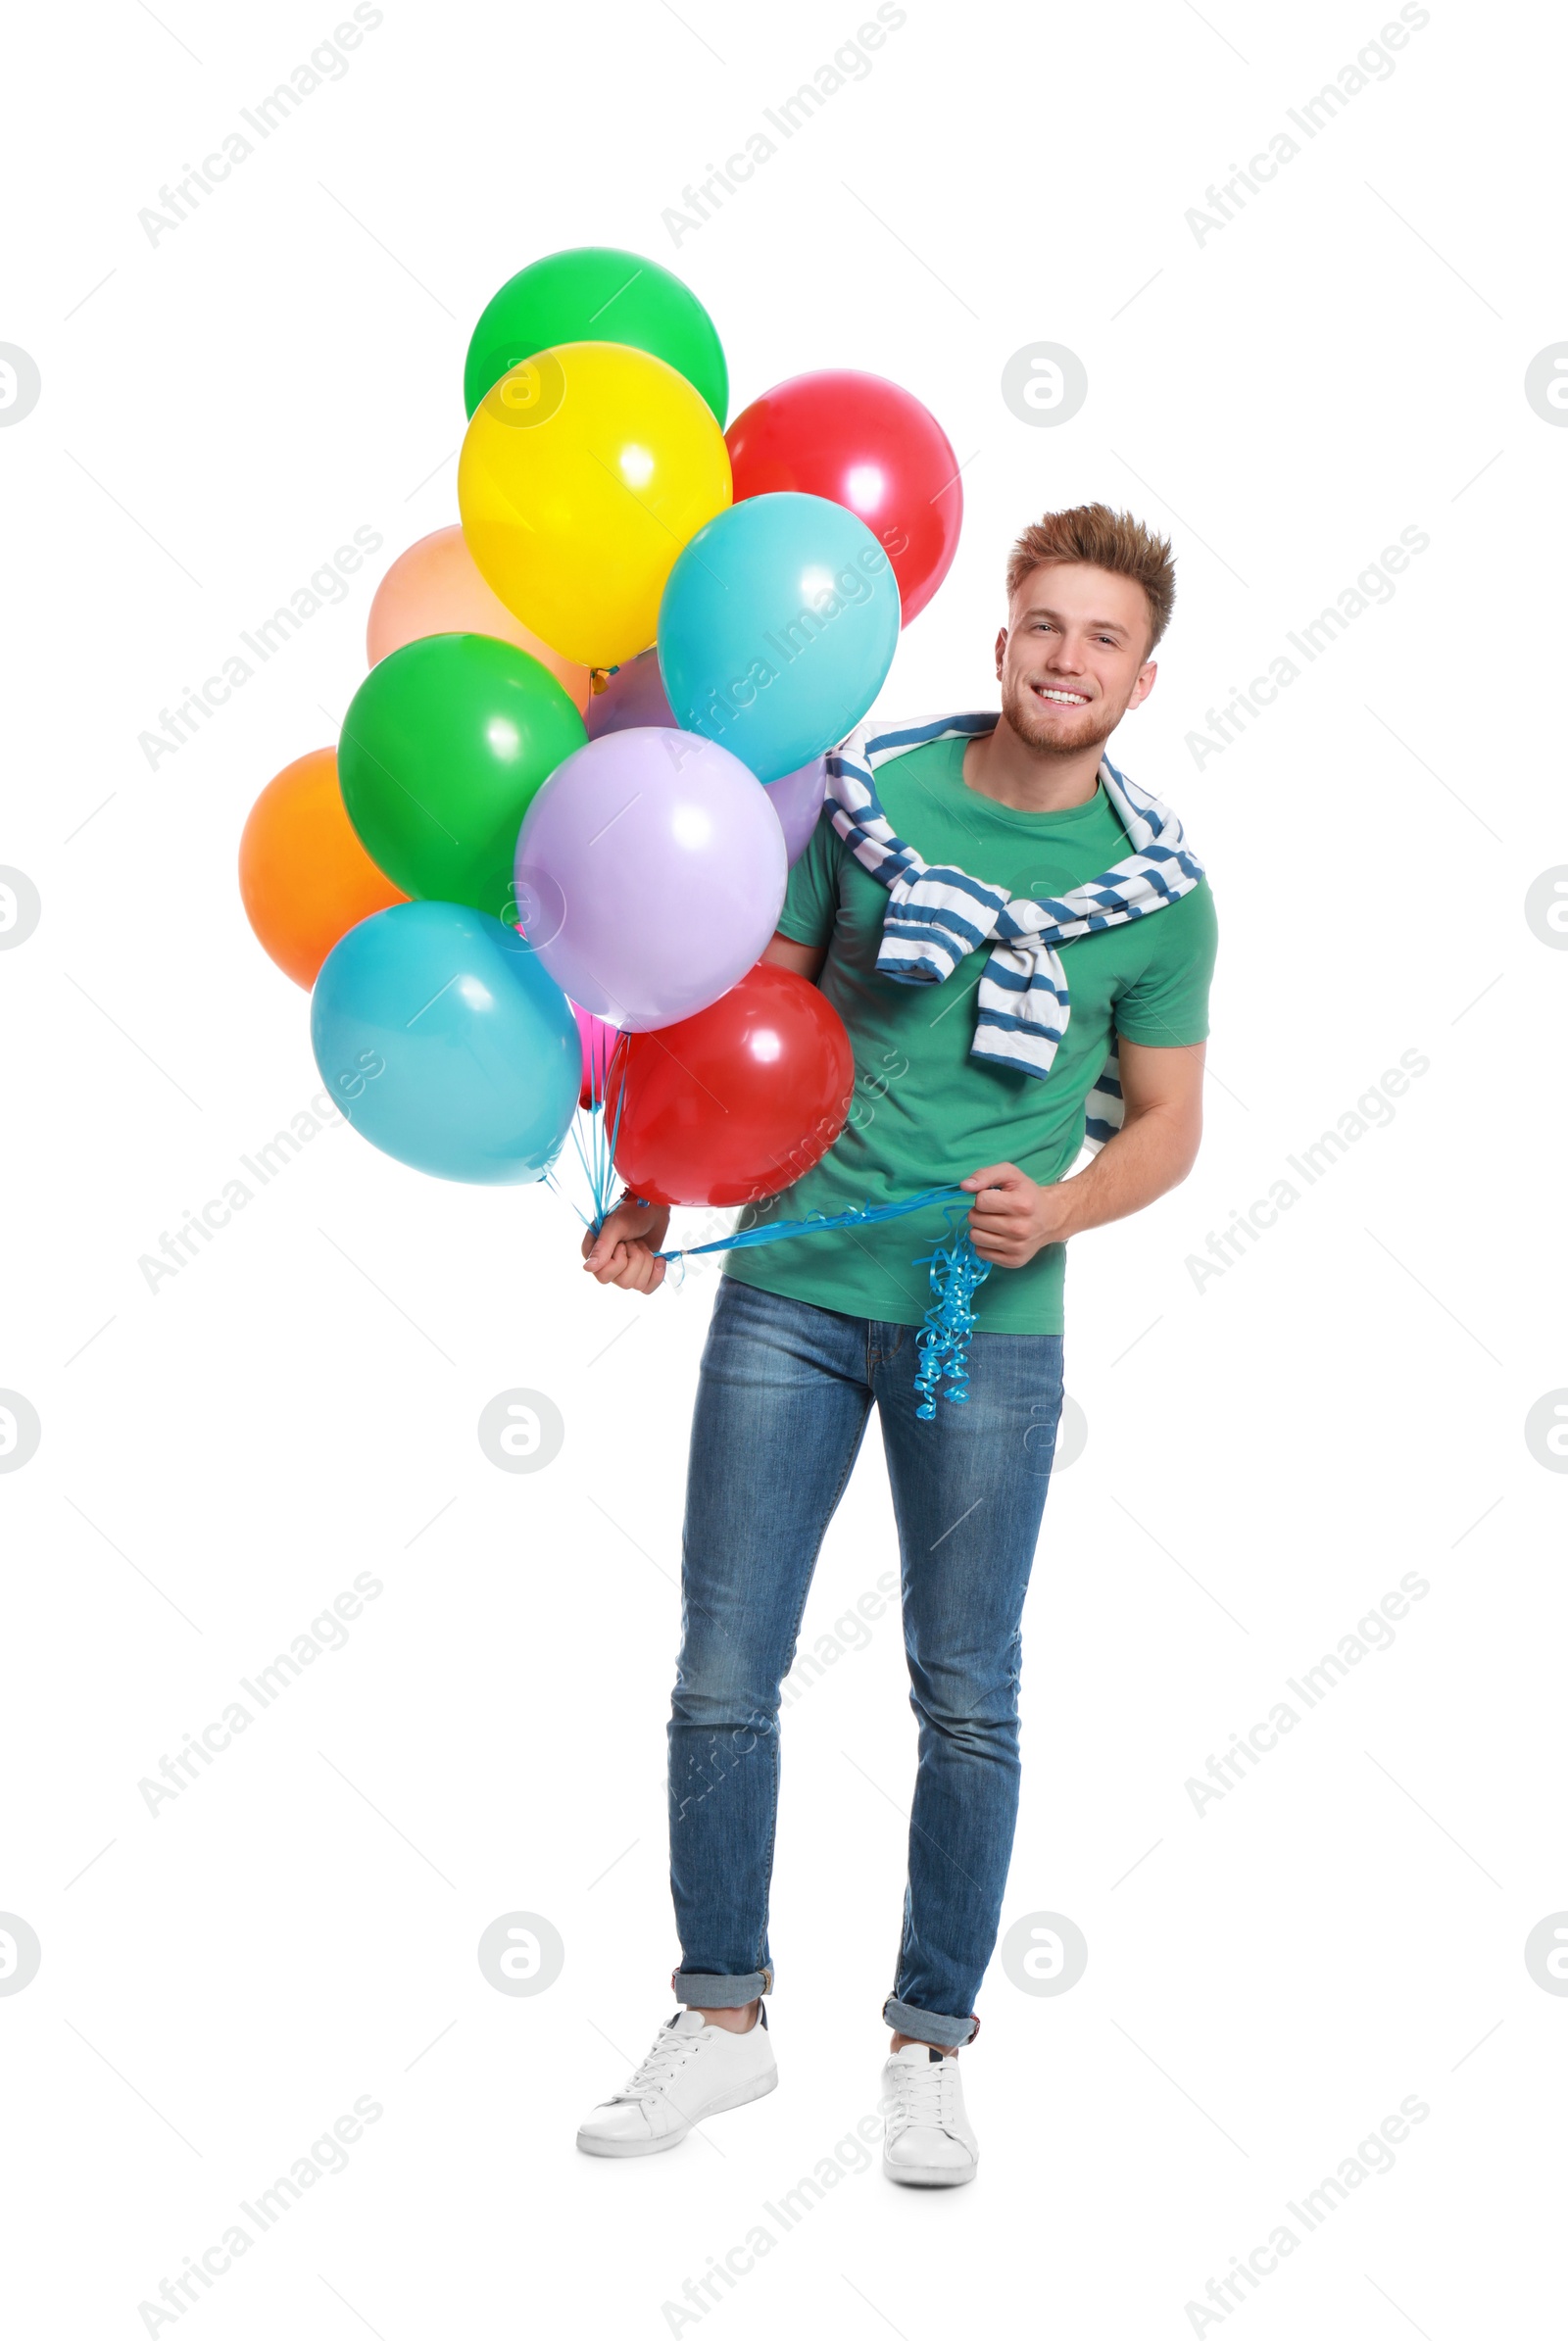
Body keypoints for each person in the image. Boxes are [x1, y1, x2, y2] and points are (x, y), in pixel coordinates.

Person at [574, 504, 1219, 2184]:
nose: (1067, 659)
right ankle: (721, 2022)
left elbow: (1167, 1126)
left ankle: (930, 2045)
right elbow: (753, 1014)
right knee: (727, 1665)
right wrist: (649, 1189)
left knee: (968, 1692)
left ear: (1145, 680)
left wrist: (1063, 1211)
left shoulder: (1158, 899)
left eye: (1103, 639)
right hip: (790, 1293)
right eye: (1044, 626)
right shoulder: (870, 807)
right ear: (999, 639)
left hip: (982, 1326)